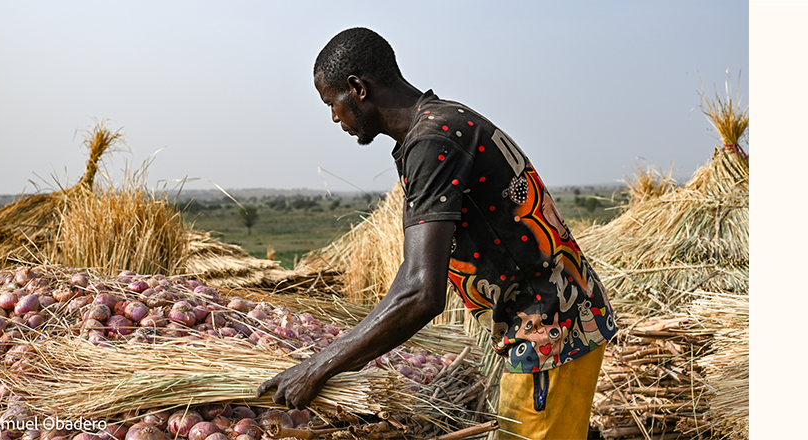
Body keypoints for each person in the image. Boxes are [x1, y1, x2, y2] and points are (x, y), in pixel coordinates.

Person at [257, 27, 618, 440]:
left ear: (357, 88)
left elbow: (421, 293)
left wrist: (318, 366)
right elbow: (416, 278)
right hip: (554, 323)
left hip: (548, 331)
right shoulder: (441, 122)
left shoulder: (433, 142)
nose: (334, 117)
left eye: (332, 103)